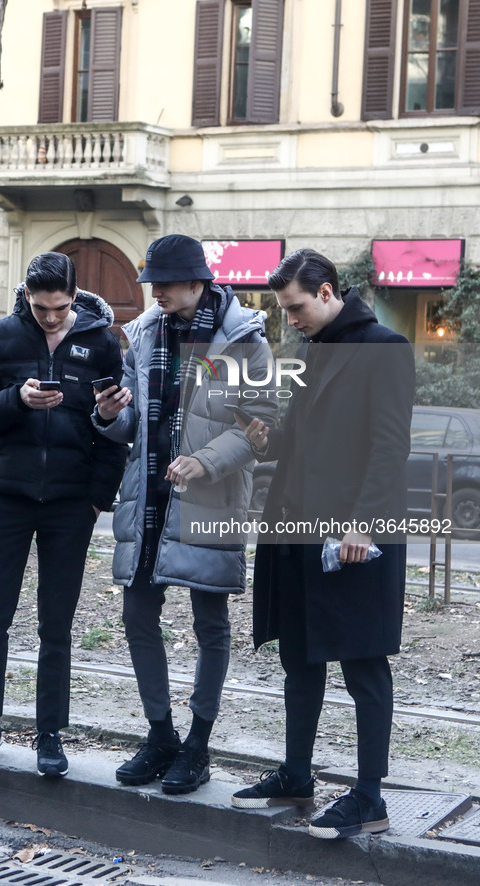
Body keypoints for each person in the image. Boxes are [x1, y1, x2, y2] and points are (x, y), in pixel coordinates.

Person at [230, 249, 415, 839]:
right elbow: (308, 443)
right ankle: (296, 773)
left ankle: (369, 797)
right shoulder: (311, 350)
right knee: (300, 659)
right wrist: (267, 439)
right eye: (285, 311)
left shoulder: (384, 348)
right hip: (297, 531)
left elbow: (390, 448)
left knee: (363, 663)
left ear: (329, 293)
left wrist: (363, 525)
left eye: (297, 307)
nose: (291, 321)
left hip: (354, 535)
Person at [92, 234, 276, 794]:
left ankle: (197, 745)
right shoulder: (145, 333)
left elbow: (261, 427)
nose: (156, 292)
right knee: (137, 618)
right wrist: (107, 413)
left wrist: (204, 460)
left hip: (210, 498)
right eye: (152, 283)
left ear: (198, 283)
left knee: (210, 625)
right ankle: (160, 735)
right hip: (147, 495)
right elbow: (130, 420)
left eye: (166, 283)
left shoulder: (245, 341)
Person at [0, 252, 128, 778]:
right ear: (26, 295)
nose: (50, 317)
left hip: (72, 503)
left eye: (59, 307)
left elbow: (113, 434)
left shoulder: (101, 343)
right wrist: (18, 399)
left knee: (57, 623)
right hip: (7, 496)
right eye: (39, 306)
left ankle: (50, 734)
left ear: (74, 297)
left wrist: (97, 495)